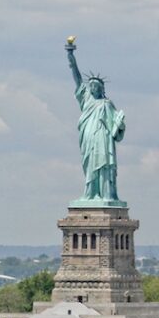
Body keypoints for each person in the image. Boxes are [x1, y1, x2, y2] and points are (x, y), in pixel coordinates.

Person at [66, 39, 125, 203]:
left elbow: (117, 129)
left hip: (103, 140)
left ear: (101, 89)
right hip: (89, 138)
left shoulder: (107, 104)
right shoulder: (85, 99)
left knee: (105, 165)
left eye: (96, 86)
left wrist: (120, 125)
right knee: (90, 164)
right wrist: (70, 56)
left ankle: (106, 195)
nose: (92, 88)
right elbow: (77, 77)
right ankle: (90, 194)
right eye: (91, 86)